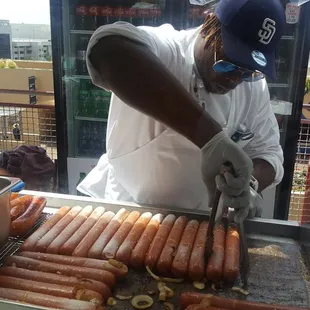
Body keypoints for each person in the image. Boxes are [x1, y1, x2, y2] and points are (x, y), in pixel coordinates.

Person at [77, 0, 285, 223]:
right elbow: (107, 49)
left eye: (248, 72)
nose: (235, 79)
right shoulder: (169, 50)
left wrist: (248, 185)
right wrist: (211, 138)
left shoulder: (253, 88)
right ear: (208, 26)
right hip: (129, 213)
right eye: (228, 64)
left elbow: (269, 153)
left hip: (199, 222)